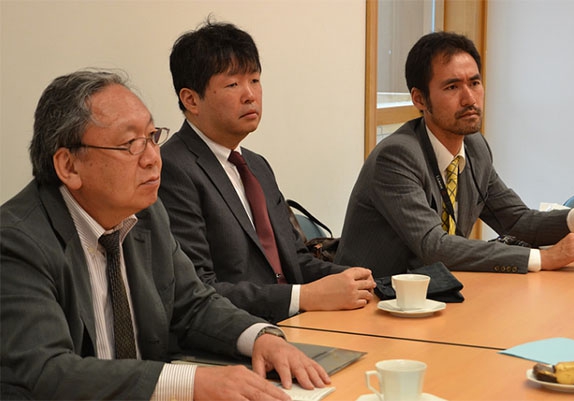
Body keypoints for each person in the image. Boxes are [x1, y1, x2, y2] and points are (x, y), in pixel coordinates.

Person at [0, 70, 331, 401]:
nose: (152, 158)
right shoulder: (17, 242)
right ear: (69, 166)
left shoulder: (145, 213)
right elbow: (49, 372)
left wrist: (262, 338)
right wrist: (195, 383)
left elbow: (193, 304)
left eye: (152, 137)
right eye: (130, 144)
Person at [158, 20, 375, 324]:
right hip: (235, 336)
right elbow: (199, 289)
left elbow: (294, 260)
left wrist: (360, 281)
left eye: (255, 80)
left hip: (297, 322)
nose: (250, 95)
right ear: (190, 99)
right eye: (233, 84)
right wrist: (305, 297)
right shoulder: (172, 169)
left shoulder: (256, 165)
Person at [334, 31, 574, 277]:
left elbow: (517, 220)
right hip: (375, 302)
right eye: (452, 87)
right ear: (419, 99)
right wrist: (542, 259)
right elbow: (434, 246)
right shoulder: (396, 157)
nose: (470, 99)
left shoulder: (474, 146)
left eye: (474, 83)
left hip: (439, 294)